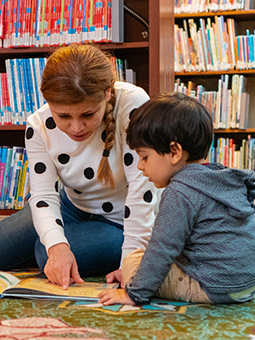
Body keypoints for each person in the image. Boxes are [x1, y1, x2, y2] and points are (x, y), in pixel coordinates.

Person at [0, 44, 160, 289]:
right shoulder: (38, 124)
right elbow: (44, 195)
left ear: (107, 93)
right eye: (64, 116)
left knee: (44, 252)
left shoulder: (134, 103)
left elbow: (142, 192)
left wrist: (131, 261)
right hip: (74, 205)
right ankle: (64, 237)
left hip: (121, 219)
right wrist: (57, 243)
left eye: (88, 115)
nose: (76, 128)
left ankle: (65, 242)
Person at [98, 92, 255, 305]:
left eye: (144, 157)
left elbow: (162, 247)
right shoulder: (222, 178)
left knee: (134, 260)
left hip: (213, 288)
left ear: (174, 152)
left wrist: (133, 292)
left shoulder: (180, 191)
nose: (140, 166)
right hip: (246, 285)